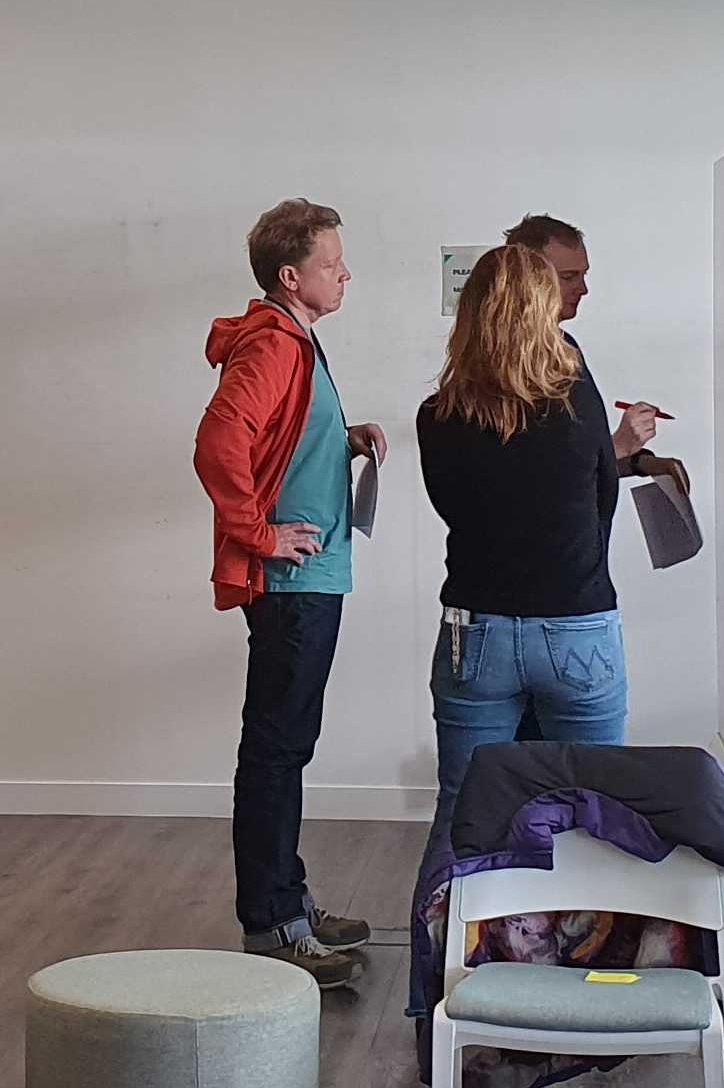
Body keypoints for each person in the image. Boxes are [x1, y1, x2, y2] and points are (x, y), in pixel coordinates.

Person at [193, 198, 382, 989]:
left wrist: (342, 440)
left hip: (312, 576)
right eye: (332, 262)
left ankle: (289, 902)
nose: (345, 273)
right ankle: (273, 925)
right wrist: (260, 535)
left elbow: (278, 438)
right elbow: (218, 442)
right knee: (275, 750)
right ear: (290, 275)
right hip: (293, 579)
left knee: (285, 747)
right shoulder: (273, 345)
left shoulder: (297, 343)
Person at [416, 245, 633, 842]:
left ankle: (445, 935)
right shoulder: (579, 403)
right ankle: (581, 935)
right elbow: (602, 501)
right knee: (594, 809)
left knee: (466, 808)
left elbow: (451, 509)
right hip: (577, 625)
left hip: (475, 628)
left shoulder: (435, 415)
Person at [506, 215, 686, 494]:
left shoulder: (566, 347)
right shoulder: (509, 361)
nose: (583, 289)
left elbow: (578, 464)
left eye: (583, 275)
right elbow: (534, 481)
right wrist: (620, 444)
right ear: (529, 279)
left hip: (586, 534)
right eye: (568, 277)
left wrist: (642, 463)